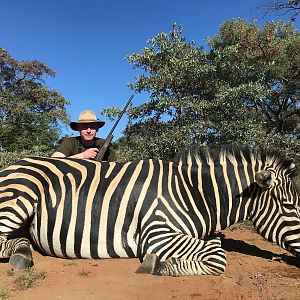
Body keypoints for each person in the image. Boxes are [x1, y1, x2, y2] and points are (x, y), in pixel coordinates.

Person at [51, 110, 117, 161]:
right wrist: (82, 156)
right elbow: (54, 160)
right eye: (84, 127)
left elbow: (114, 166)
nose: (88, 131)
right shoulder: (70, 142)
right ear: (78, 129)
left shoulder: (105, 144)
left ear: (97, 129)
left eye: (92, 127)